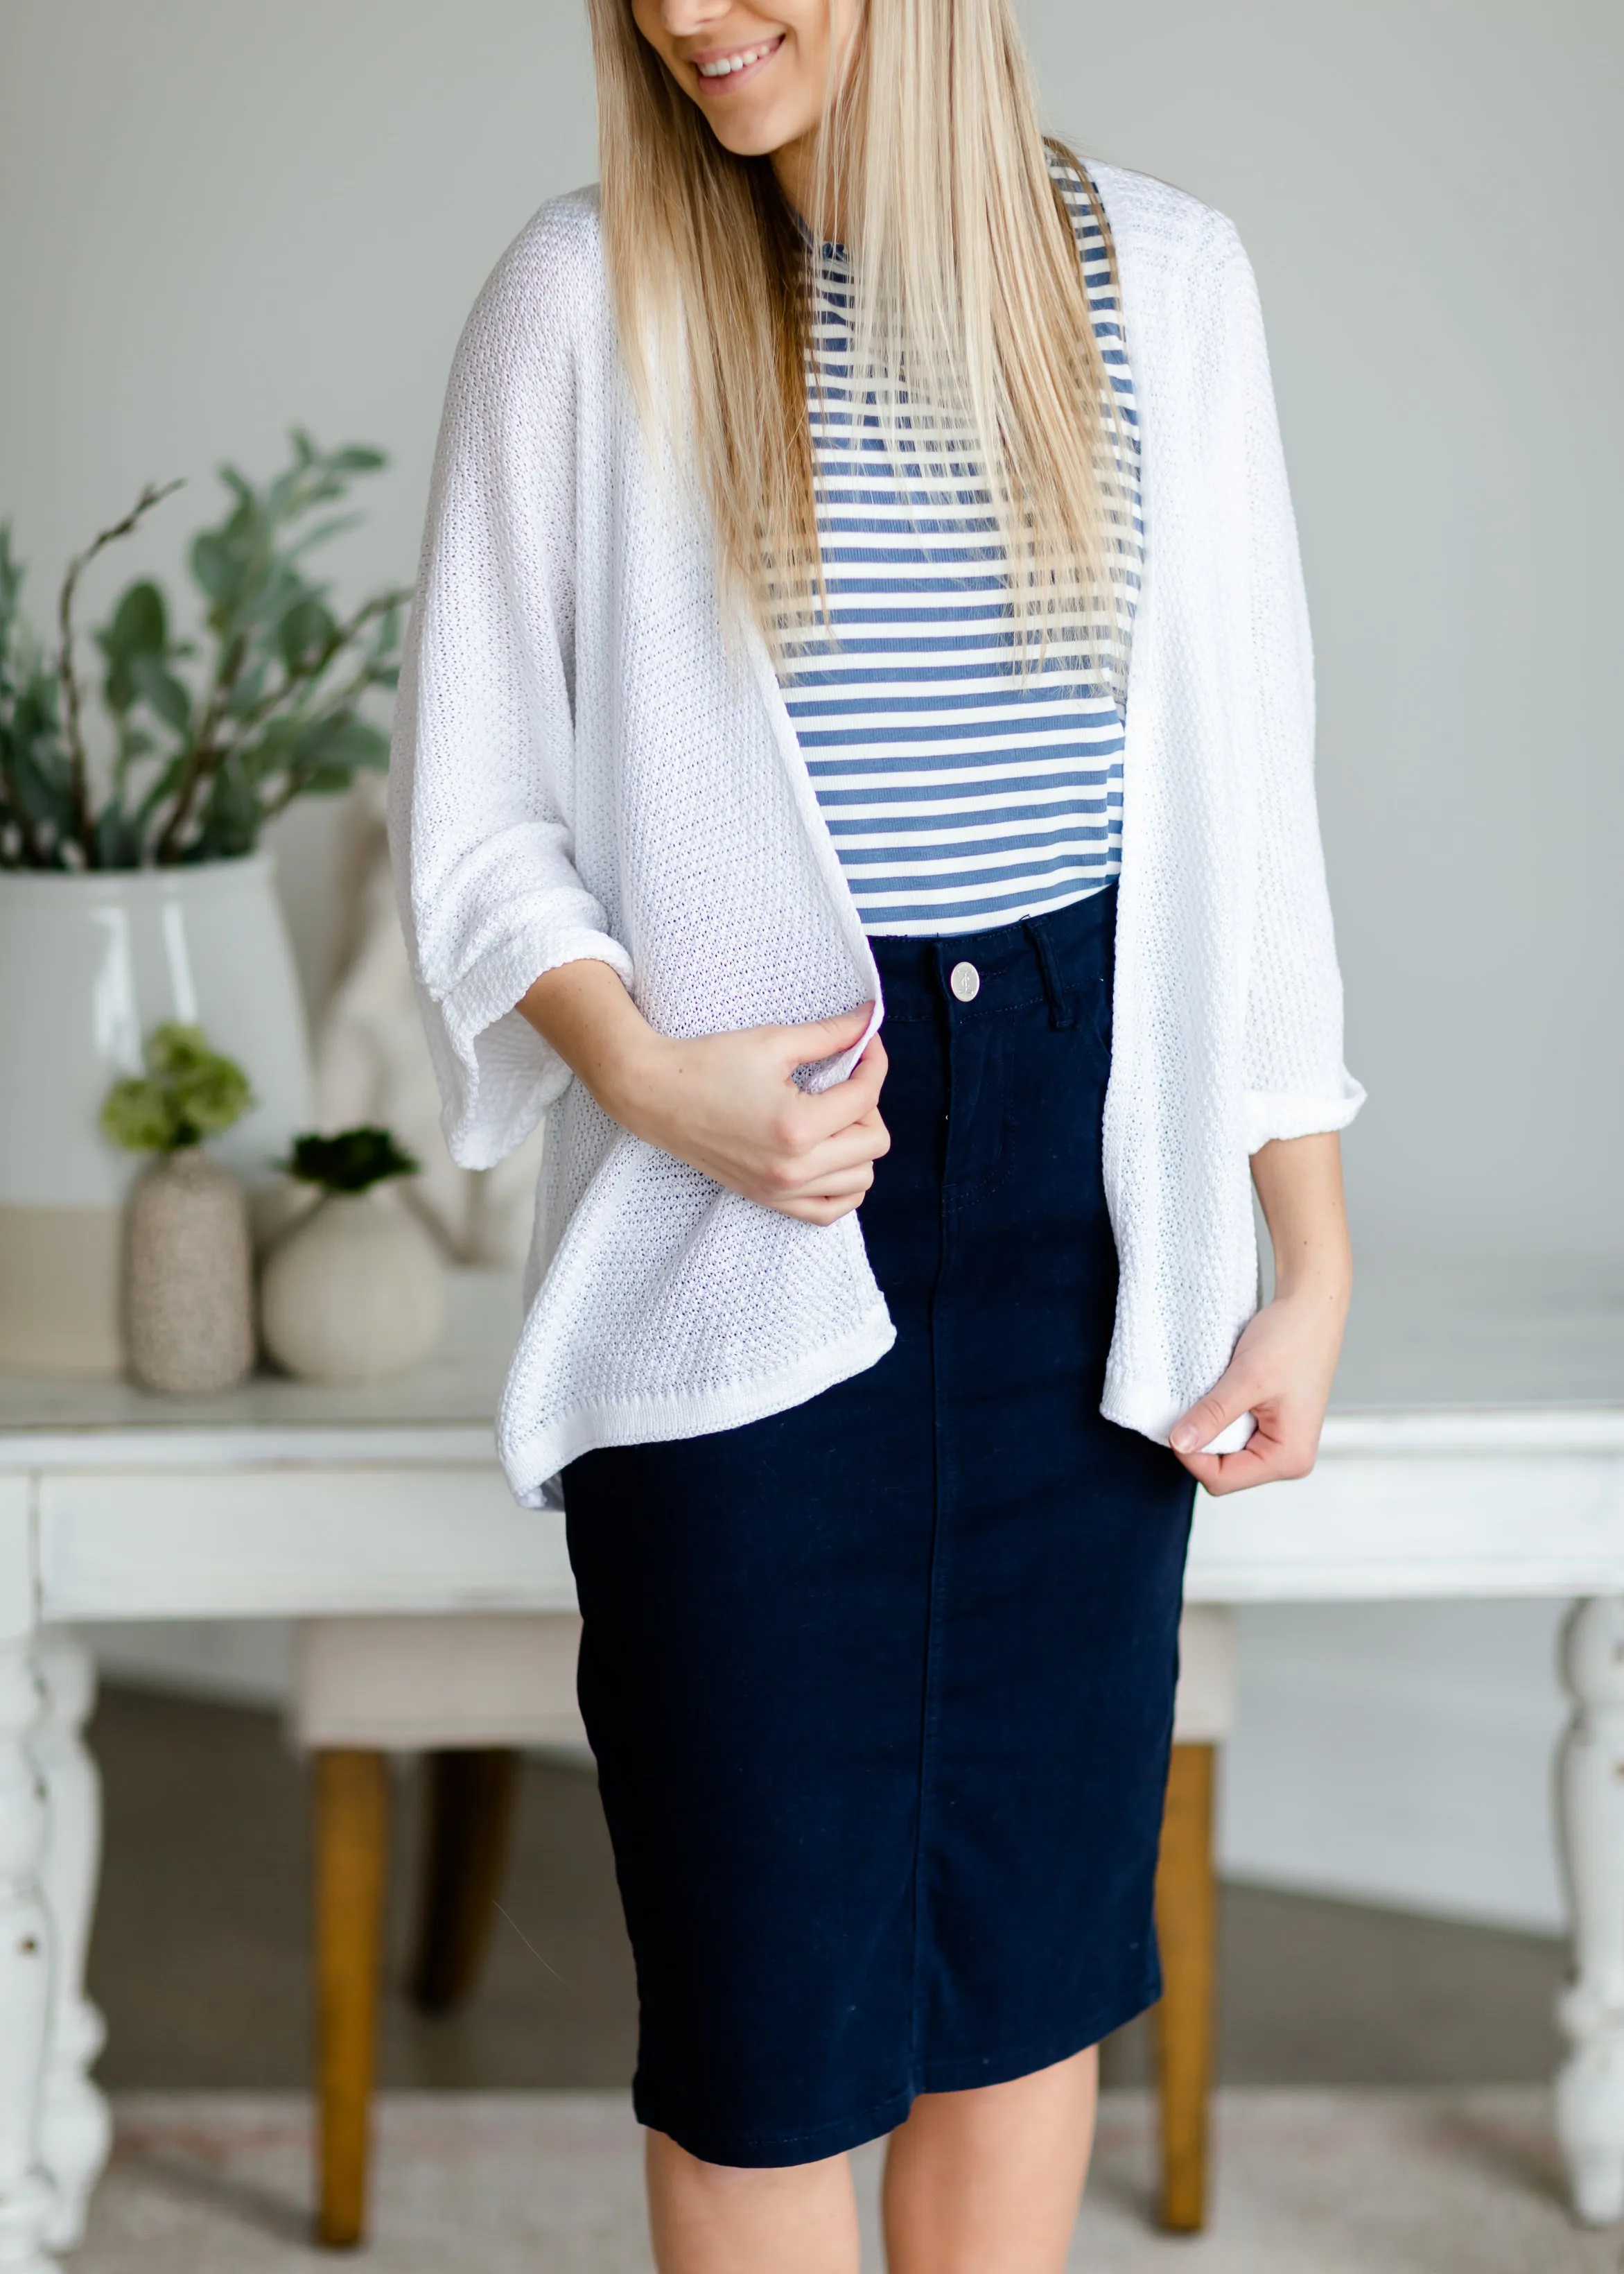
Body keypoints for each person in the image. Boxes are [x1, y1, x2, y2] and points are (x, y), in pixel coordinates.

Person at [390, 1, 1363, 2266]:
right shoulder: (588, 291)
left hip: (1086, 1209)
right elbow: (476, 817)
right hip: (742, 1217)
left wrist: (1304, 1259)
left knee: (1021, 2003)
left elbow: (1250, 823)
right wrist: (649, 1076)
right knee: (761, 2033)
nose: (686, 12)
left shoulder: (1169, 285)